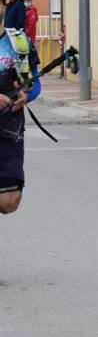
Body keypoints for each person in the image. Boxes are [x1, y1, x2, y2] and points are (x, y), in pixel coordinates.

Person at [0, 26, 39, 215]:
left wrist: (26, 96)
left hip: (10, 132)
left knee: (9, 201)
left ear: (4, 2)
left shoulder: (18, 41)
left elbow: (34, 83)